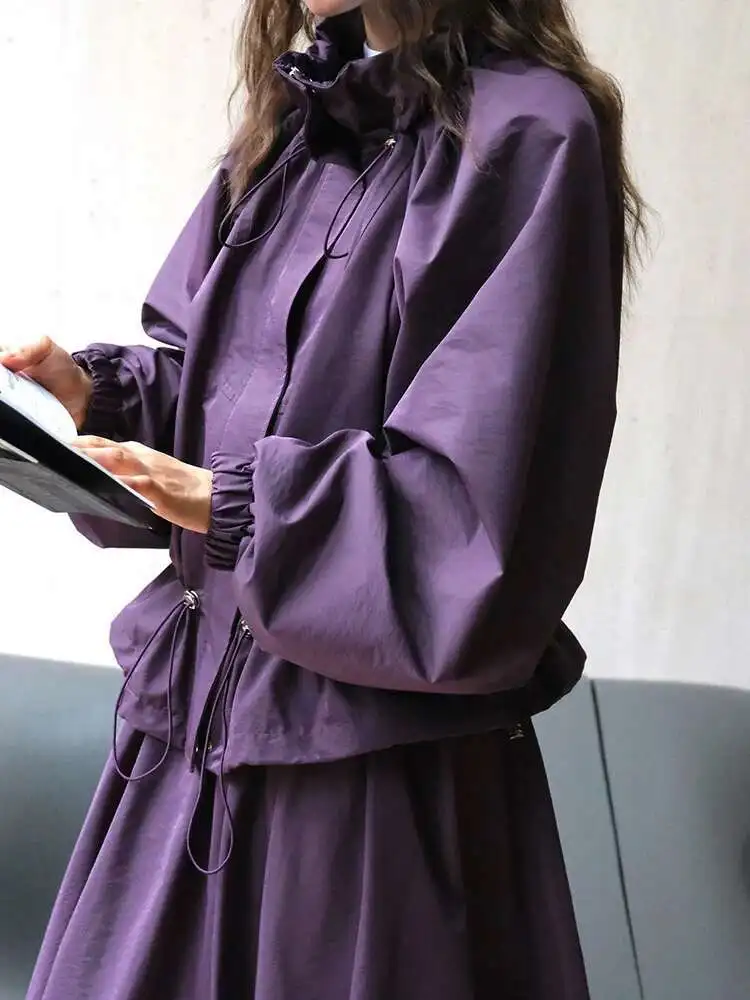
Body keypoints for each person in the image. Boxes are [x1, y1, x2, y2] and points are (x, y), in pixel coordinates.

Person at [3, 0, 644, 997]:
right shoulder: (302, 117)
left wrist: (241, 507)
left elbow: (484, 510)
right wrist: (97, 401)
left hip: (368, 792)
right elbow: (226, 395)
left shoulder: (527, 134)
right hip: (185, 753)